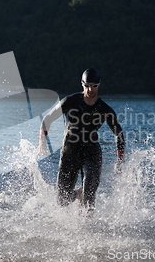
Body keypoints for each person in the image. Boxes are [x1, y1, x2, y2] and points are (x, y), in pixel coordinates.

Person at [39, 68, 125, 212]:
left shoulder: (104, 109)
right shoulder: (70, 102)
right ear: (82, 84)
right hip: (69, 152)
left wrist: (119, 160)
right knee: (62, 200)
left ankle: (89, 230)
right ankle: (77, 195)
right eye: (87, 85)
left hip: (91, 153)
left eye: (94, 86)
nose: (90, 89)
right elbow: (47, 119)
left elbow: (119, 134)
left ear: (99, 85)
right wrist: (42, 142)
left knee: (89, 199)